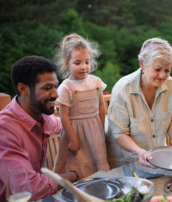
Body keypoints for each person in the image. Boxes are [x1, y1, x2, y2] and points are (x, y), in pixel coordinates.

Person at [106, 37, 172, 168]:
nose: (163, 75)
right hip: (126, 161)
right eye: (157, 69)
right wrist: (138, 152)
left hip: (158, 157)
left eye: (167, 70)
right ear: (142, 64)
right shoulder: (122, 90)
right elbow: (120, 133)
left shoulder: (171, 86)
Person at [0, 56, 79, 201]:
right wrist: (74, 175)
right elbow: (28, 188)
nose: (56, 94)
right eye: (47, 88)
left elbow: (65, 125)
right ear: (23, 89)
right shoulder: (5, 130)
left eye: (55, 86)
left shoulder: (42, 118)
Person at [53, 33, 110, 177]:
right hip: (75, 133)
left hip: (95, 130)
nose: (83, 67)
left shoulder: (95, 81)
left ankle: (100, 189)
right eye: (77, 63)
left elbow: (101, 106)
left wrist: (101, 127)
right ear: (67, 64)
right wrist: (72, 139)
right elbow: (64, 116)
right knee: (77, 163)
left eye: (87, 62)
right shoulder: (66, 87)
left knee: (98, 161)